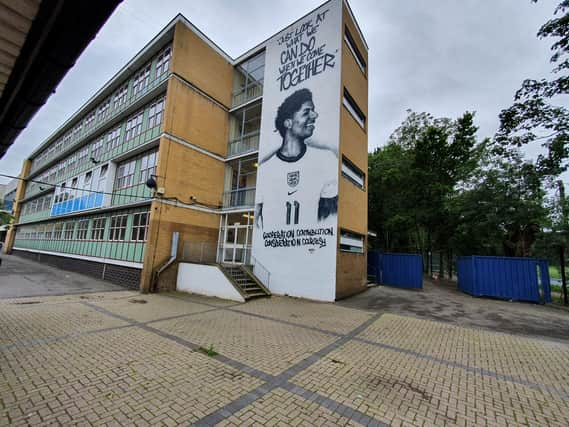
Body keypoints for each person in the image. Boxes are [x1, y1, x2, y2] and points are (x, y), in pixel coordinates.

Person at [255, 88, 338, 229]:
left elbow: (329, 220)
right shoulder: (264, 170)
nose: (314, 115)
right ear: (288, 123)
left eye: (313, 110)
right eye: (306, 112)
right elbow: (256, 223)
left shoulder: (327, 160)